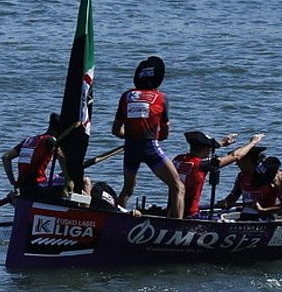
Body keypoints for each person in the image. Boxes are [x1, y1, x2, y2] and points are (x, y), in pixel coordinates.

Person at [113, 56, 184, 217]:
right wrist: (152, 137)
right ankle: (177, 227)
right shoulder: (162, 98)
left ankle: (118, 218)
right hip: (150, 146)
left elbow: (116, 130)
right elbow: (164, 134)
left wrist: (131, 136)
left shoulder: (126, 96)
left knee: (128, 188)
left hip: (130, 147)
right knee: (178, 186)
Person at [173, 130, 265, 219]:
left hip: (173, 210)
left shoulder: (177, 159)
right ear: (205, 148)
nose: (210, 150)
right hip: (190, 213)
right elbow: (236, 156)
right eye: (209, 147)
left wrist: (221, 143)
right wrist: (253, 142)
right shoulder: (201, 165)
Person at [3, 113, 65, 200]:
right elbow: (61, 158)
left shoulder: (29, 140)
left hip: (23, 187)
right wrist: (69, 179)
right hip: (37, 186)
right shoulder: (50, 140)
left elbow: (6, 157)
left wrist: (13, 182)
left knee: (58, 177)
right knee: (84, 182)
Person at [217, 145, 272, 219]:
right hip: (246, 216)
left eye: (239, 161)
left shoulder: (267, 176)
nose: (237, 164)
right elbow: (234, 196)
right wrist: (225, 202)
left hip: (265, 217)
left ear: (249, 160)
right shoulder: (241, 176)